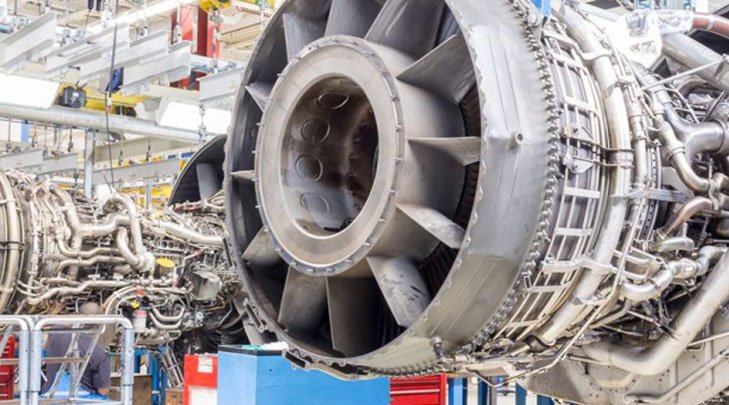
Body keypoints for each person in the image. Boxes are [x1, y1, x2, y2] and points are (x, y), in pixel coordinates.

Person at [41, 302, 112, 398]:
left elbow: (65, 322)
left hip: (50, 395)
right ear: (101, 323)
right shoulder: (99, 352)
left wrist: (83, 314)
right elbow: (103, 391)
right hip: (81, 397)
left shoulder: (56, 332)